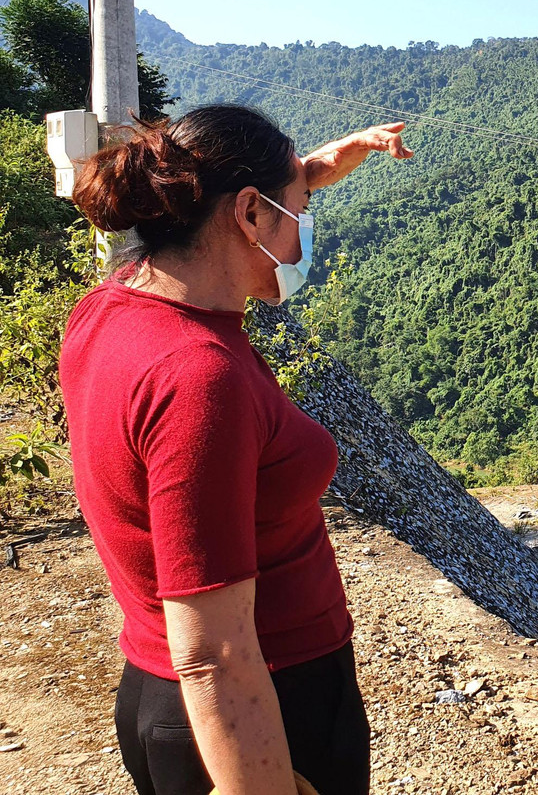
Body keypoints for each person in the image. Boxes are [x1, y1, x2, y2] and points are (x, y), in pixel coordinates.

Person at [57, 104, 413, 795]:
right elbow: (215, 651)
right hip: (263, 711)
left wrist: (314, 169)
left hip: (161, 696)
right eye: (302, 208)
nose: (307, 230)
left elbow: (240, 197)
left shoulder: (111, 309)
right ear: (249, 214)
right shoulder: (199, 380)